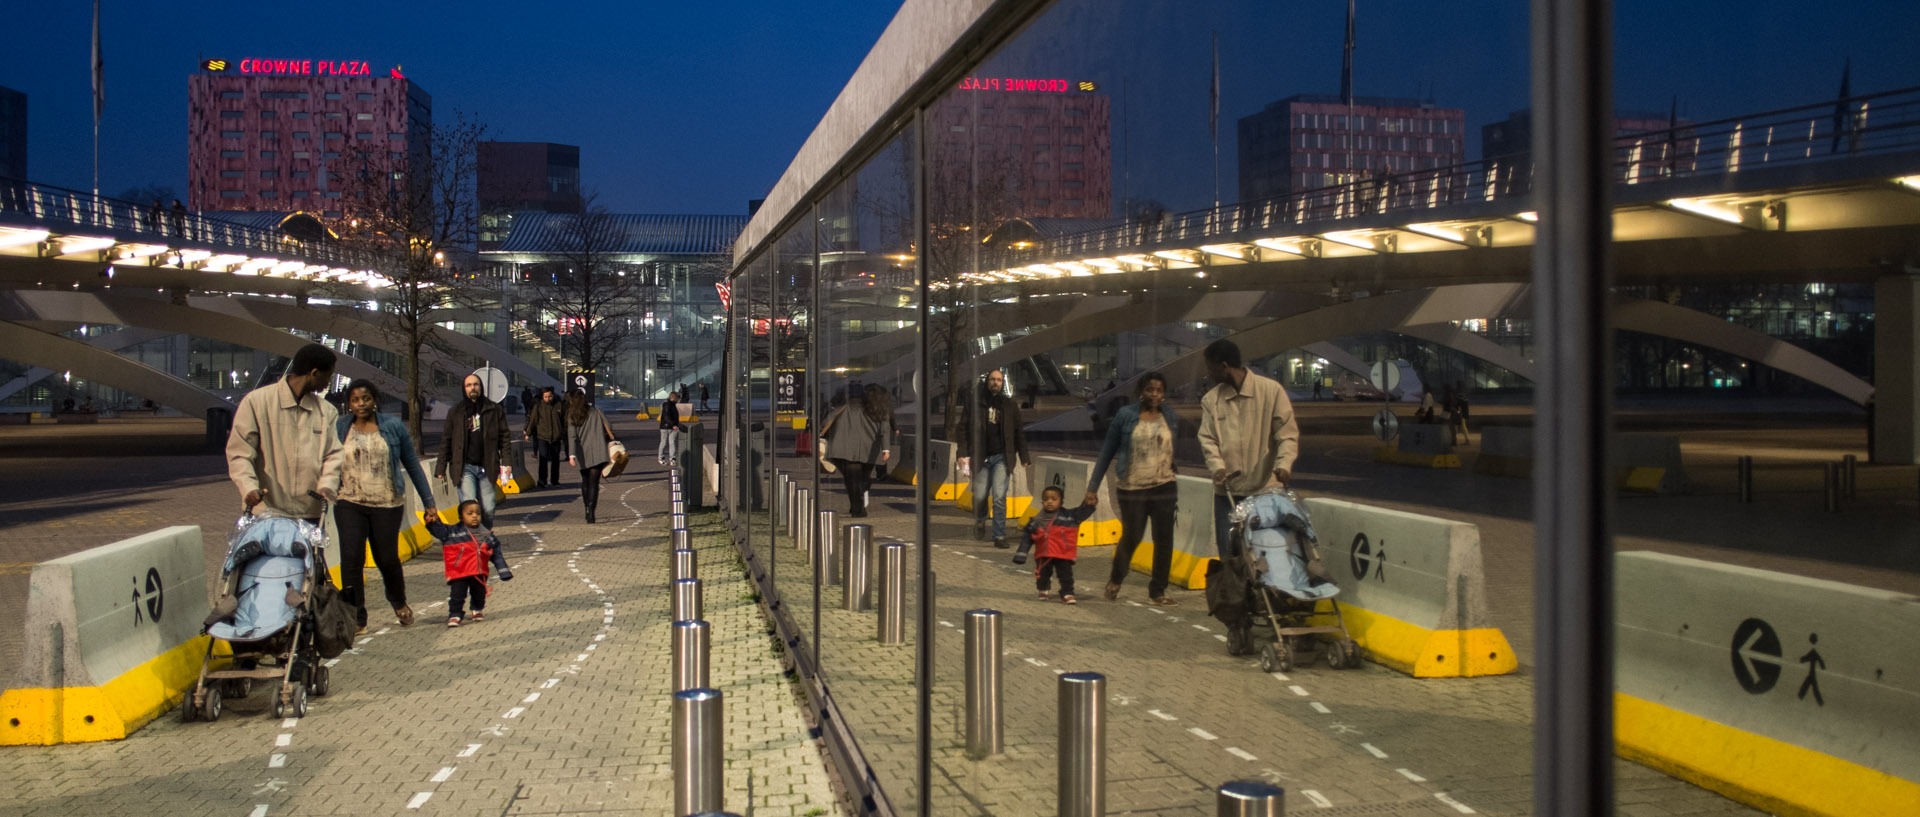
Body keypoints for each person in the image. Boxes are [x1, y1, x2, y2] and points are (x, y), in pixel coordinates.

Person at [333, 379, 439, 631]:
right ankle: (356, 616)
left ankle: (398, 601)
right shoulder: (340, 428)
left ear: (375, 400)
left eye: (366, 398)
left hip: (387, 503)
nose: (361, 404)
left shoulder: (391, 427)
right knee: (351, 559)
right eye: (355, 399)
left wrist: (429, 502)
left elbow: (412, 464)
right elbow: (326, 460)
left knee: (387, 558)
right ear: (349, 403)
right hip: (349, 501)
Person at [1197, 339, 1299, 560]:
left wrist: (1284, 465)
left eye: (1210, 368)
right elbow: (1207, 439)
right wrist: (1217, 467)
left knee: (1266, 556)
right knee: (1230, 555)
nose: (1209, 374)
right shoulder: (1211, 400)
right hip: (1228, 493)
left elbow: (1287, 435)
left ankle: (1263, 594)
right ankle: (1236, 593)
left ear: (1223, 366)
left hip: (1264, 491)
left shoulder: (1271, 391)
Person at [1086, 372, 1181, 606]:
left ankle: (1157, 591)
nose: (1155, 394)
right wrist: (1093, 487)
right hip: (1132, 488)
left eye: (1159, 390)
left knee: (1165, 540)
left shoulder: (1169, 416)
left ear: (1164, 394)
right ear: (1141, 391)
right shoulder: (1125, 416)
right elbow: (1108, 450)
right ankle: (1116, 578)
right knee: (1133, 536)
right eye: (1150, 389)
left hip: (1164, 486)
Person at [227, 343, 343, 524]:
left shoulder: (327, 411)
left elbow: (333, 455)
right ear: (314, 373)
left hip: (310, 512)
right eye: (328, 376)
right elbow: (239, 453)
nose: (329, 382)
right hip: (266, 511)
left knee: (310, 554)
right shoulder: (256, 402)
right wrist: (249, 488)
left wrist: (328, 484)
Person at [435, 373, 512, 573]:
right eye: (469, 385)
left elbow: (505, 437)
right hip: (464, 467)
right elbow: (447, 441)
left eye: (475, 384)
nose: (472, 388)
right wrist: (440, 468)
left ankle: (484, 541)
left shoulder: (494, 410)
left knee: (487, 509)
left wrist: (507, 463)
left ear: (481, 387)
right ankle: (474, 547)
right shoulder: (456, 412)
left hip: (487, 465)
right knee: (469, 508)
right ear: (464, 388)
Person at [953, 369, 1029, 549]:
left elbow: (1018, 431)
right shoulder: (975, 404)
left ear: (1003, 384)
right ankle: (980, 520)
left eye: (999, 380)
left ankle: (999, 535)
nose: (996, 383)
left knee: (999, 497)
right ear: (987, 381)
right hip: (981, 457)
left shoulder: (1009, 405)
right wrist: (962, 454)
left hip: (1001, 457)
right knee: (979, 496)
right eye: (993, 379)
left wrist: (1024, 456)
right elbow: (962, 429)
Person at [1015, 486, 1097, 604]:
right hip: (1044, 554)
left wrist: (1089, 505)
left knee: (1066, 576)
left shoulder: (1069, 516)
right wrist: (1021, 554)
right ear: (1042, 502)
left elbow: (1081, 513)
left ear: (1061, 501)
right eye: (1046, 499)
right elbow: (1027, 537)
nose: (1049, 502)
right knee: (1043, 574)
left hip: (1063, 553)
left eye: (1054, 499)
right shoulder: (1036, 520)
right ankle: (1043, 589)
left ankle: (1067, 593)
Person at [822, 384, 893, 518]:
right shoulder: (878, 409)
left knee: (852, 480)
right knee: (864, 479)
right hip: (869, 450)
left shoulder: (842, 409)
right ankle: (859, 504)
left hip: (844, 449)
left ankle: (857, 508)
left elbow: (825, 422)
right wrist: (886, 449)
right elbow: (884, 430)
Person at [426, 500, 498, 627]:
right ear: (461, 516)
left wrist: (502, 569)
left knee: (478, 592)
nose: (474, 516)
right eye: (470, 513)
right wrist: (433, 523)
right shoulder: (452, 531)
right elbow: (440, 531)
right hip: (459, 571)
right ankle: (455, 614)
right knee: (457, 593)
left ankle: (477, 608)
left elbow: (495, 551)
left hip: (478, 570)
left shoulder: (484, 533)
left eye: (478, 513)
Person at [565, 389, 615, 523]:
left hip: (583, 452)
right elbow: (609, 426)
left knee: (585, 481)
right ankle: (591, 511)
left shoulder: (572, 415)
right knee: (594, 483)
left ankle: (586, 507)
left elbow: (572, 436)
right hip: (599, 451)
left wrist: (571, 454)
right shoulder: (596, 412)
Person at [524, 386, 567, 489]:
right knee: (543, 458)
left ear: (553, 395)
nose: (548, 398)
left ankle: (554, 480)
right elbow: (533, 420)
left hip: (556, 436)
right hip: (542, 436)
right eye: (546, 397)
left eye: (550, 396)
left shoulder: (559, 405)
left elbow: (564, 420)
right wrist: (528, 433)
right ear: (542, 396)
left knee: (555, 459)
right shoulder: (539, 406)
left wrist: (563, 433)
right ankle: (542, 480)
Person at [658, 391, 684, 465]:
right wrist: (673, 424)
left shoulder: (672, 404)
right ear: (674, 398)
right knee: (664, 442)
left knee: (672, 442)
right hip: (666, 426)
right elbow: (666, 416)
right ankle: (661, 457)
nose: (678, 400)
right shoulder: (667, 405)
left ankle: (672, 458)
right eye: (677, 398)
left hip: (672, 426)